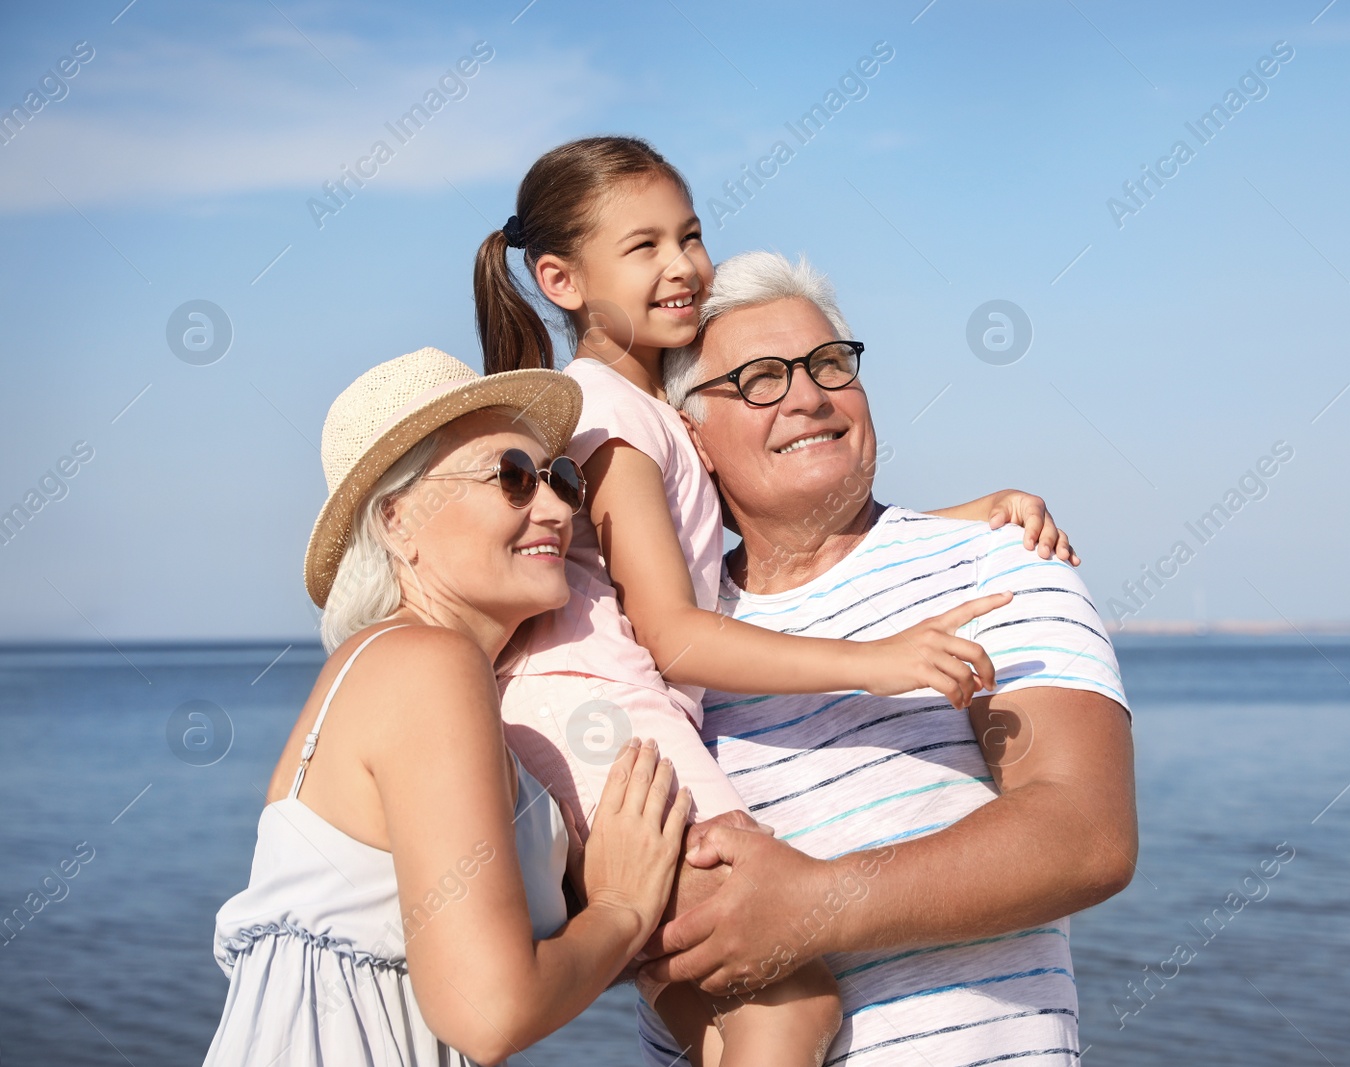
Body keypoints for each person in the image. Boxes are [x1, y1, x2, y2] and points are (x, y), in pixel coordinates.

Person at [473, 135, 1077, 1065]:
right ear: (559, 279)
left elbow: (766, 512)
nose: (682, 266)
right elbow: (674, 632)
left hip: (586, 710)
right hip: (607, 712)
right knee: (788, 1005)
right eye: (643, 248)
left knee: (716, 1013)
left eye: (690, 234)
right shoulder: (613, 422)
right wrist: (874, 665)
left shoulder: (641, 412)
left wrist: (970, 515)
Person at [634, 251, 1138, 1064]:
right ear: (691, 433)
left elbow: (1086, 834)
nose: (808, 395)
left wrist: (816, 902)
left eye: (830, 364)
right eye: (762, 377)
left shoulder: (995, 562)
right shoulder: (662, 642)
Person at [205, 347, 690, 1066]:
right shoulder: (429, 665)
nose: (557, 508)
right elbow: (486, 1010)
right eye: (513, 479)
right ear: (398, 519)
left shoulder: (395, 669)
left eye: (559, 478)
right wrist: (621, 911)